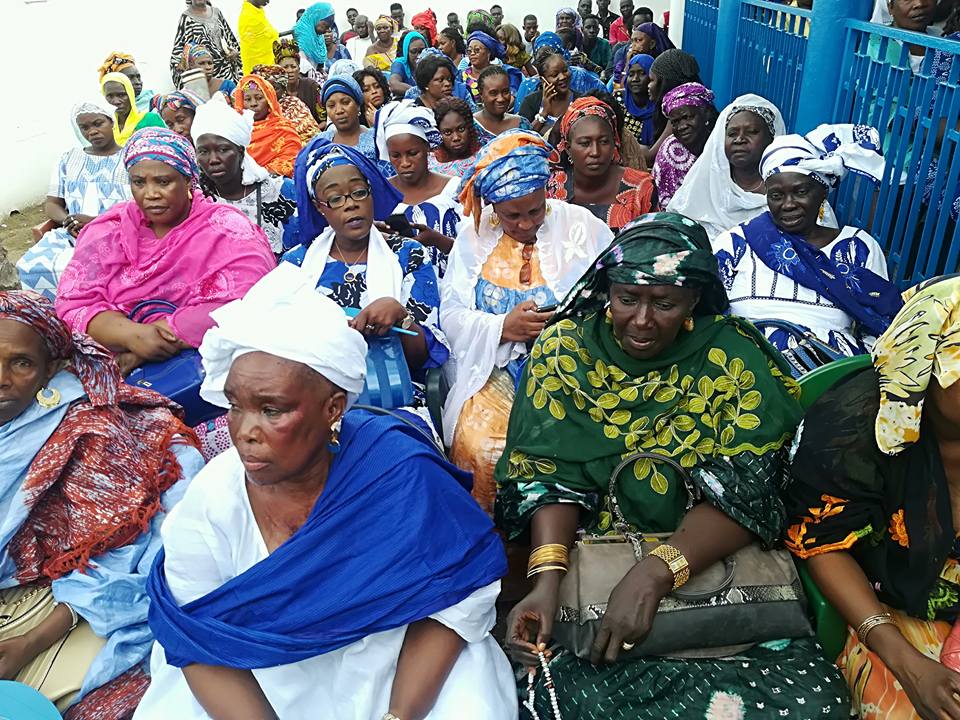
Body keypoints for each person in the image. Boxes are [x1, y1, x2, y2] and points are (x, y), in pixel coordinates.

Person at [497, 212, 851, 720]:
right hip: (598, 566)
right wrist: (547, 581)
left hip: (722, 573)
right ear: (606, 292)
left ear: (693, 302)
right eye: (627, 299)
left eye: (664, 303)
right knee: (565, 699)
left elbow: (750, 489)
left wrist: (655, 574)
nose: (642, 320)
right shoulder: (564, 352)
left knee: (817, 705)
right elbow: (547, 474)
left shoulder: (732, 356)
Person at [133, 268, 517, 720]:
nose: (245, 432)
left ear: (333, 407)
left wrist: (398, 716)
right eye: (236, 406)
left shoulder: (398, 474)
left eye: (271, 409)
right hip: (255, 677)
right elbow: (195, 639)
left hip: (398, 662)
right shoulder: (212, 500)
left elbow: (456, 599)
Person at [0, 292, 204, 718]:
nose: (0, 378)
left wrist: (30, 643)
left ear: (52, 370)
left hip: (71, 607)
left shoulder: (94, 436)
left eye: (21, 363)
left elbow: (121, 557)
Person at [784, 274, 960, 720]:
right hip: (881, 600)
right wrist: (909, 665)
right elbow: (824, 545)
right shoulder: (857, 431)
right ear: (924, 365)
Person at [441, 130, 613, 512]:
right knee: (485, 443)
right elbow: (450, 317)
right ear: (493, 208)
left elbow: (615, 295)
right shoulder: (474, 237)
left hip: (580, 368)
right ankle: (498, 543)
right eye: (511, 215)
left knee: (582, 438)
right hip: (496, 369)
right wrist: (502, 327)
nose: (524, 223)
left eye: (535, 211)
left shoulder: (581, 226)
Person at [55, 128, 275, 377]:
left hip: (210, 367)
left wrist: (158, 339)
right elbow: (72, 304)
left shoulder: (226, 229)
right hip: (114, 364)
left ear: (189, 181)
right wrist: (132, 336)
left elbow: (249, 301)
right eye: (138, 182)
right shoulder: (109, 231)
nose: (150, 194)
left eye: (163, 181)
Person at [281, 139, 450, 434]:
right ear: (320, 208)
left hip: (393, 399)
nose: (350, 203)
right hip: (315, 405)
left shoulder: (407, 254)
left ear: (371, 194)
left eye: (359, 192)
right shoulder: (297, 265)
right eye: (335, 198)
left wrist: (401, 317)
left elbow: (423, 356)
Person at [713, 125, 903, 359]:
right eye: (776, 196)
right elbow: (711, 312)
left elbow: (879, 324)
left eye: (801, 192)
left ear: (822, 193)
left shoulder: (858, 247)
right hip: (743, 365)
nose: (788, 204)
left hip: (830, 372)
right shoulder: (736, 242)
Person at [17, 101, 129, 302]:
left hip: (117, 233)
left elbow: (136, 208)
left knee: (103, 269)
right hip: (71, 234)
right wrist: (68, 220)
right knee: (31, 266)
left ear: (111, 121)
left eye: (97, 123)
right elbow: (52, 203)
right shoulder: (69, 158)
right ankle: (55, 320)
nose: (92, 132)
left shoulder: (129, 158)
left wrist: (95, 222)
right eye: (84, 128)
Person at [192, 96, 300, 256]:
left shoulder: (281, 193)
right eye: (203, 152)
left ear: (241, 152)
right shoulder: (196, 201)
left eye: (222, 150)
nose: (213, 160)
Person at [668, 95, 784, 241]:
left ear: (772, 138)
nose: (739, 139)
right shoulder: (705, 186)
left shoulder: (785, 190)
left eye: (752, 132)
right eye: (732, 134)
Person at [546, 96, 655, 231]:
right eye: (585, 143)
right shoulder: (553, 187)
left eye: (604, 142)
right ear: (568, 149)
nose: (595, 152)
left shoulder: (641, 188)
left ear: (614, 143)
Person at [376, 100, 461, 271]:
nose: (405, 163)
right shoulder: (380, 194)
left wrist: (437, 240)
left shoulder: (454, 190)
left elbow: (475, 252)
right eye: (396, 156)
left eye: (412, 153)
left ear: (427, 148)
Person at [652, 82, 716, 208]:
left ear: (706, 113)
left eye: (688, 117)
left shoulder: (721, 143)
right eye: (675, 122)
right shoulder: (670, 152)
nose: (682, 126)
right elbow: (665, 204)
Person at [234, 74, 304, 178]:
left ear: (269, 101)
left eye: (259, 98)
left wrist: (260, 175)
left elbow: (292, 160)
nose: (253, 104)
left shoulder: (283, 128)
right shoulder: (235, 131)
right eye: (248, 99)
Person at [169, 0, 241, 87]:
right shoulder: (187, 17)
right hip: (205, 74)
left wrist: (234, 53)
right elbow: (180, 48)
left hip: (226, 71)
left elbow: (230, 38)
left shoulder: (216, 12)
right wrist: (180, 65)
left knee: (230, 96)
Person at [318, 75, 382, 171]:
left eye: (345, 102)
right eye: (331, 106)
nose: (339, 110)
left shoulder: (376, 139)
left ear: (358, 105)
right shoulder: (320, 142)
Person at [253, 64, 321, 143]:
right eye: (266, 88)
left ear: (284, 90)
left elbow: (311, 136)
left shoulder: (293, 105)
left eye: (275, 88)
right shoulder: (253, 111)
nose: (271, 92)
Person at [520, 48, 579, 133]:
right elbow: (522, 137)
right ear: (543, 79)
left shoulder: (579, 101)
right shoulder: (531, 102)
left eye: (565, 71)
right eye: (555, 75)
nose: (563, 77)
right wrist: (544, 113)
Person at [648, 48, 703, 139]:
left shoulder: (677, 113)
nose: (648, 85)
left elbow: (650, 153)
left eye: (651, 80)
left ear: (664, 83)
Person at [100, 73, 166, 147]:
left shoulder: (150, 120)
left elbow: (165, 149)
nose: (116, 101)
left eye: (121, 95)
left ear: (130, 94)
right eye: (110, 96)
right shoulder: (105, 125)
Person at [429, 96, 484, 178]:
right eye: (447, 132)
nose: (456, 138)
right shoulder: (429, 164)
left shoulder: (483, 159)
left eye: (461, 129)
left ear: (469, 128)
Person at [273, 38, 324, 124]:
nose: (290, 71)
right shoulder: (276, 93)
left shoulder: (311, 86)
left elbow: (324, 120)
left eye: (293, 67)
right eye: (285, 67)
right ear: (279, 71)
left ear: (299, 69)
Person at [475, 66, 532, 142]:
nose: (501, 99)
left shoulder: (522, 124)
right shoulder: (471, 126)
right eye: (493, 93)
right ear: (481, 94)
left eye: (505, 92)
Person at [294, 3, 351, 77]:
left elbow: (319, 67)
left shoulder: (318, 39)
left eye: (329, 28)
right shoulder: (300, 36)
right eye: (325, 25)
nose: (326, 31)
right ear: (315, 18)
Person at [613, 53, 656, 145]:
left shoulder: (660, 104)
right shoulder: (618, 99)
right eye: (631, 74)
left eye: (642, 73)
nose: (635, 79)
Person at [463, 31, 506, 105]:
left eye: (477, 50)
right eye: (469, 51)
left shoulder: (501, 72)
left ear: (488, 53)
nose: (472, 53)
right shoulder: (462, 75)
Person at [238, 0, 280, 75]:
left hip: (270, 69)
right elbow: (255, 55)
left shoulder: (257, 12)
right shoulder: (249, 18)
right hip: (261, 75)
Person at [390, 30, 429, 97]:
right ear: (406, 52)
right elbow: (394, 84)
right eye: (414, 51)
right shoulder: (400, 64)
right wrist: (419, 92)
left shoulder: (431, 62)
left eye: (422, 51)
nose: (419, 55)